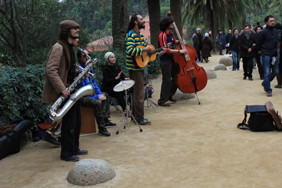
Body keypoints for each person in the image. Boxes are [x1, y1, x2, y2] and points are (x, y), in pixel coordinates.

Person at [42, 20, 87, 162]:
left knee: (77, 121)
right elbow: (51, 70)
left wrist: (81, 72)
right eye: (74, 29)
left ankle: (74, 148)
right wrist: (62, 88)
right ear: (66, 31)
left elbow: (68, 68)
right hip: (66, 90)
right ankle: (66, 154)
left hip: (72, 89)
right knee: (69, 123)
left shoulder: (69, 47)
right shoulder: (58, 47)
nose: (77, 31)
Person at [77, 49, 113, 136]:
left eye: (88, 55)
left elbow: (94, 84)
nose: (87, 57)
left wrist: (99, 94)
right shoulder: (78, 69)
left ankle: (105, 120)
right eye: (84, 56)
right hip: (81, 96)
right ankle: (102, 128)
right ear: (79, 58)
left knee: (106, 95)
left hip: (90, 93)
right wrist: (96, 97)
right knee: (97, 103)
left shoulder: (89, 68)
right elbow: (83, 90)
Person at [125, 14, 153, 125]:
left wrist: (150, 52)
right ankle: (139, 118)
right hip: (134, 68)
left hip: (139, 66)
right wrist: (145, 49)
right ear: (135, 22)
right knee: (139, 94)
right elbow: (130, 50)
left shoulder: (140, 34)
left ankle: (135, 116)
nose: (143, 21)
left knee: (137, 93)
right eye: (141, 19)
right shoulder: (131, 34)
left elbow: (141, 52)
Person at [157, 17, 187, 107]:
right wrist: (179, 51)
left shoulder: (171, 34)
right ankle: (162, 100)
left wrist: (180, 41)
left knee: (176, 78)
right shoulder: (162, 35)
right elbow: (165, 49)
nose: (172, 24)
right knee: (166, 80)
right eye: (171, 23)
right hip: (165, 61)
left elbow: (174, 42)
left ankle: (169, 95)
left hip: (173, 59)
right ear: (167, 25)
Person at [257, 15, 279, 97]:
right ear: (266, 22)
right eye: (271, 21)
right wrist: (260, 51)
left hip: (274, 54)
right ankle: (268, 90)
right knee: (266, 72)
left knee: (276, 71)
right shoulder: (263, 32)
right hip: (266, 54)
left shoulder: (275, 31)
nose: (273, 22)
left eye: (273, 20)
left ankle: (264, 83)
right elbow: (258, 43)